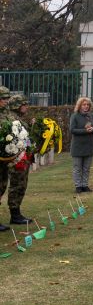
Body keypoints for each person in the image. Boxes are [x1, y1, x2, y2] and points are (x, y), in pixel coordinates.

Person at [6, 95, 33, 225]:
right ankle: (15, 214)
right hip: (16, 159)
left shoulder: (19, 119)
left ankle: (16, 213)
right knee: (17, 184)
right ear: (17, 106)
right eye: (24, 104)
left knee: (21, 184)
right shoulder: (12, 119)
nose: (26, 107)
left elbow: (25, 137)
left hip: (22, 157)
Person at [70, 96, 93, 193]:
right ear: (80, 106)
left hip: (89, 146)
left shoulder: (92, 116)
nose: (86, 106)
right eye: (84, 104)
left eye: (87, 105)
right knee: (77, 168)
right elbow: (72, 130)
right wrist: (85, 131)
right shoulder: (75, 116)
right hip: (77, 146)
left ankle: (85, 185)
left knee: (86, 168)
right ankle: (78, 186)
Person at [0, 87, 12, 231]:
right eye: (3, 98)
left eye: (7, 98)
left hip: (4, 158)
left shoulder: (7, 113)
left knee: (2, 186)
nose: (6, 101)